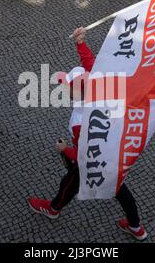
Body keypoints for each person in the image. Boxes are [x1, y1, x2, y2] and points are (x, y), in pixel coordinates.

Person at [28, 28, 148, 241]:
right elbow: (90, 65)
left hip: (95, 157)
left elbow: (85, 155)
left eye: (66, 86)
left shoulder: (78, 122)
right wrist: (80, 43)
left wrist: (65, 150)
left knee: (71, 181)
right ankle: (136, 226)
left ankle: (54, 208)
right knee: (119, 188)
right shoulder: (102, 87)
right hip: (114, 151)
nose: (63, 89)